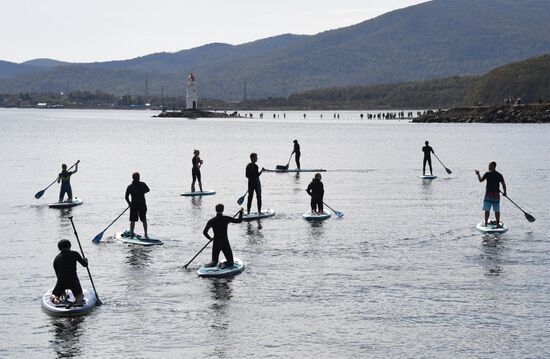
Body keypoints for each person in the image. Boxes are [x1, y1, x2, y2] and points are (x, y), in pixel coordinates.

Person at [51, 239, 88, 305]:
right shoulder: (74, 254)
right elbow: (85, 265)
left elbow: (57, 274)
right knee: (80, 296)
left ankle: (56, 300)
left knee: (54, 295)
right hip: (73, 280)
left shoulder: (56, 259)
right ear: (69, 246)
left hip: (61, 281)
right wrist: (86, 260)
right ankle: (77, 302)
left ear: (59, 248)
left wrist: (62, 290)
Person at [475, 162, 507, 227]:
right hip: (496, 196)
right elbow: (503, 184)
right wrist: (505, 192)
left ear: (492, 166)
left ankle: (486, 224)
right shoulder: (499, 175)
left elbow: (480, 180)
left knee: (487, 210)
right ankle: (497, 224)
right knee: (497, 210)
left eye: (489, 166)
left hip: (488, 195)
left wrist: (478, 174)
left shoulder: (487, 174)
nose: (488, 167)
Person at [125, 172, 150, 238]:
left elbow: (126, 197)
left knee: (133, 220)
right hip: (141, 205)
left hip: (134, 205)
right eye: (138, 177)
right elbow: (148, 190)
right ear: (138, 177)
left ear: (132, 178)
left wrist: (129, 203)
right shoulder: (142, 184)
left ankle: (132, 233)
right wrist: (142, 192)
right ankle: (145, 234)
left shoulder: (130, 186)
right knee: (143, 219)